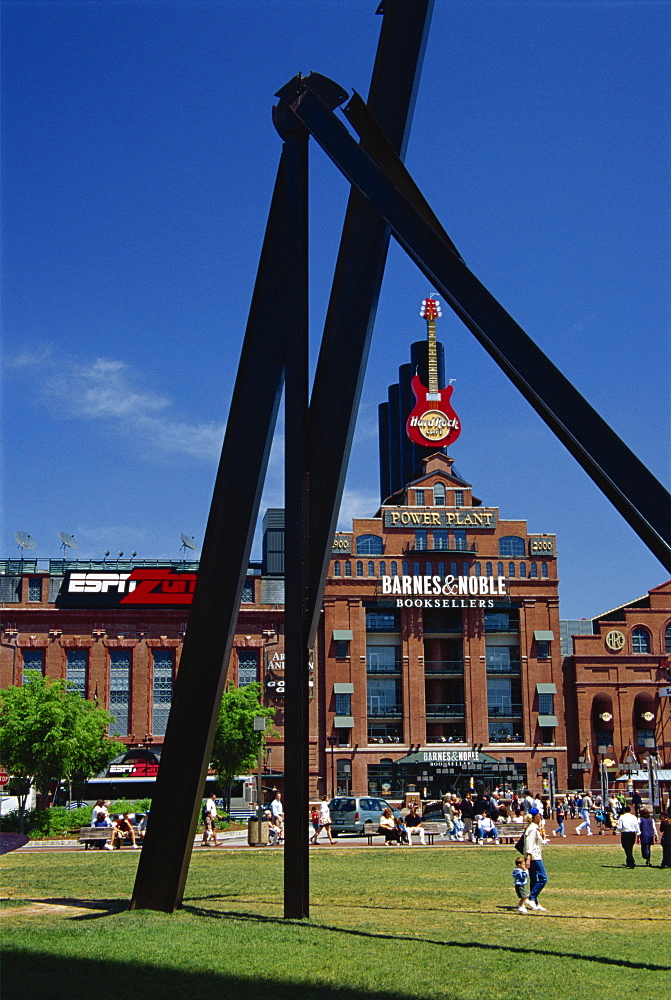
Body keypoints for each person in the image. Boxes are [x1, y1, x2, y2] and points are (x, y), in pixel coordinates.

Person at [523, 808, 549, 911]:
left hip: (535, 856)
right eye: (539, 815)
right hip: (534, 857)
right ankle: (531, 897)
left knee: (534, 880)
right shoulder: (532, 829)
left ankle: (535, 903)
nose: (540, 817)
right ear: (535, 817)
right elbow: (529, 844)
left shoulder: (534, 828)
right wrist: (528, 858)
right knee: (543, 878)